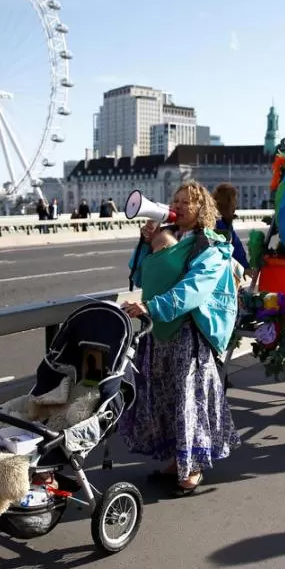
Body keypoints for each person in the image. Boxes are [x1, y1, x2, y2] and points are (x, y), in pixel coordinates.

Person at [119, 181, 241, 495]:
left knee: (189, 401)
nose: (180, 205)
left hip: (188, 336)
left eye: (188, 201)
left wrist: (151, 306)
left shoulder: (210, 245)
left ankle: (193, 470)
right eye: (177, 200)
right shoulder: (169, 237)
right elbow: (141, 275)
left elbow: (193, 290)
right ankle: (177, 461)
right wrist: (147, 244)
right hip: (160, 332)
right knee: (165, 399)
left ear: (203, 209)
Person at [212, 183, 249, 271]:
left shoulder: (225, 222)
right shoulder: (220, 225)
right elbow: (234, 251)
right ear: (228, 202)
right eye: (234, 200)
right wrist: (245, 268)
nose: (236, 204)